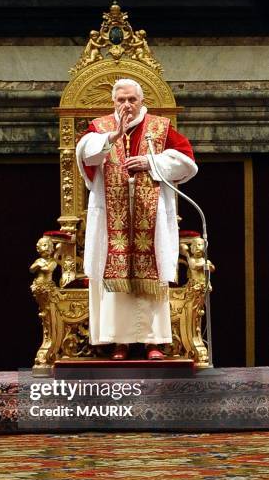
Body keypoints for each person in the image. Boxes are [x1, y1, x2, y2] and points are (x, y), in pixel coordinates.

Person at [76, 78, 198, 360]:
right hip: (112, 221)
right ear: (113, 102)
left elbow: (187, 161)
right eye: (121, 100)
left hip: (150, 218)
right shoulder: (100, 127)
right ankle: (119, 342)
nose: (127, 105)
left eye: (132, 99)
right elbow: (85, 154)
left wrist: (151, 163)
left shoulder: (160, 127)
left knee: (150, 276)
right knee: (115, 278)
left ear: (143, 101)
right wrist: (112, 137)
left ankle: (152, 342)